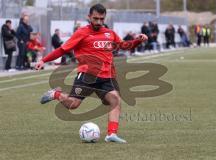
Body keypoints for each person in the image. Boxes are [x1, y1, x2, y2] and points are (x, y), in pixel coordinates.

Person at [35, 3, 148, 143]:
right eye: (95, 18)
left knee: (115, 100)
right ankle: (55, 94)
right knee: (73, 105)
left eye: (102, 19)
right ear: (89, 17)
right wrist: (43, 60)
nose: (99, 22)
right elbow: (62, 49)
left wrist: (138, 40)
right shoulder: (81, 33)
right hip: (87, 76)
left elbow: (124, 46)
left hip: (107, 77)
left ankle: (111, 134)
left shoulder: (109, 33)